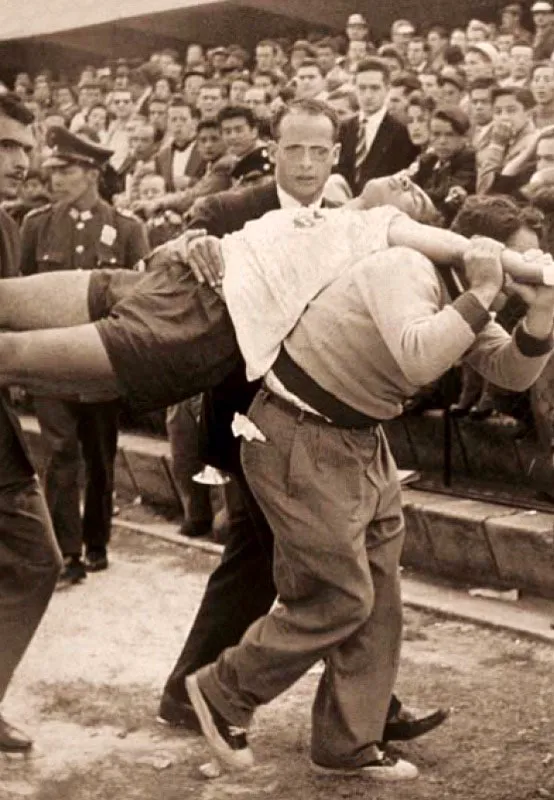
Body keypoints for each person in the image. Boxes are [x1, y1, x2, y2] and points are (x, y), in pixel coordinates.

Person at [158, 100, 446, 741]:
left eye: (321, 150)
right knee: (290, 564)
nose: (309, 163)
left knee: (296, 565)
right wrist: (189, 242)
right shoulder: (235, 209)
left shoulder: (347, 210)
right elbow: (182, 242)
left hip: (322, 418)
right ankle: (205, 692)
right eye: (295, 150)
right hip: (250, 419)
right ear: (273, 148)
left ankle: (353, 708)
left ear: (337, 154)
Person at [20, 126, 149, 582]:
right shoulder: (36, 226)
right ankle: (66, 552)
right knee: (59, 453)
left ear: (93, 173)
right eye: (53, 169)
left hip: (102, 362)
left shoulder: (128, 228)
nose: (55, 177)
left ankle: (96, 541)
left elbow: (141, 302)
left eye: (67, 169)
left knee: (99, 455)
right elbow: (21, 295)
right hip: (49, 363)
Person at [0, 92, 62, 753]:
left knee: (35, 562)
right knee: (34, 560)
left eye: (24, 144)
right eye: (5, 146)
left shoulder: (6, 225)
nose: (21, 159)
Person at [337, 57, 418, 195]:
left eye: (375, 88)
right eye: (362, 88)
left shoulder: (401, 131)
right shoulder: (344, 128)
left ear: (387, 89)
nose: (368, 95)